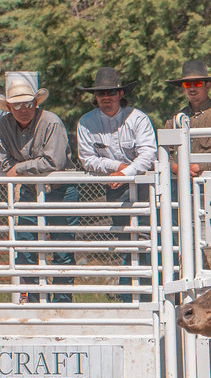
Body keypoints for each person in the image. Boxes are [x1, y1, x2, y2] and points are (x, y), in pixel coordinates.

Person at [77, 67, 157, 300]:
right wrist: (116, 169)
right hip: (115, 186)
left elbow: (148, 153)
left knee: (147, 236)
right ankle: (132, 291)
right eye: (101, 93)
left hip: (143, 185)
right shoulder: (86, 122)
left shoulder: (137, 118)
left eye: (111, 91)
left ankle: (147, 291)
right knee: (125, 237)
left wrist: (126, 173)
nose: (106, 97)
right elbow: (86, 158)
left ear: (121, 93)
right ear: (95, 96)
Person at [0, 71, 78, 303]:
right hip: (28, 190)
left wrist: (20, 169)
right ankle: (31, 298)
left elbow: (53, 162)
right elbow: (3, 164)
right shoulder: (2, 126)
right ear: (9, 107)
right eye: (17, 105)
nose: (23, 109)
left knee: (62, 247)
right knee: (25, 246)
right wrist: (24, 169)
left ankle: (62, 302)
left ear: (35, 103)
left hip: (59, 189)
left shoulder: (51, 121)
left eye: (27, 103)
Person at [164, 59, 211, 177]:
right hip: (180, 186)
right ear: (183, 88)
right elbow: (165, 154)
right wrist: (176, 167)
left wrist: (199, 166)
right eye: (187, 85)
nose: (192, 89)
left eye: (197, 84)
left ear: (207, 86)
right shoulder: (174, 120)